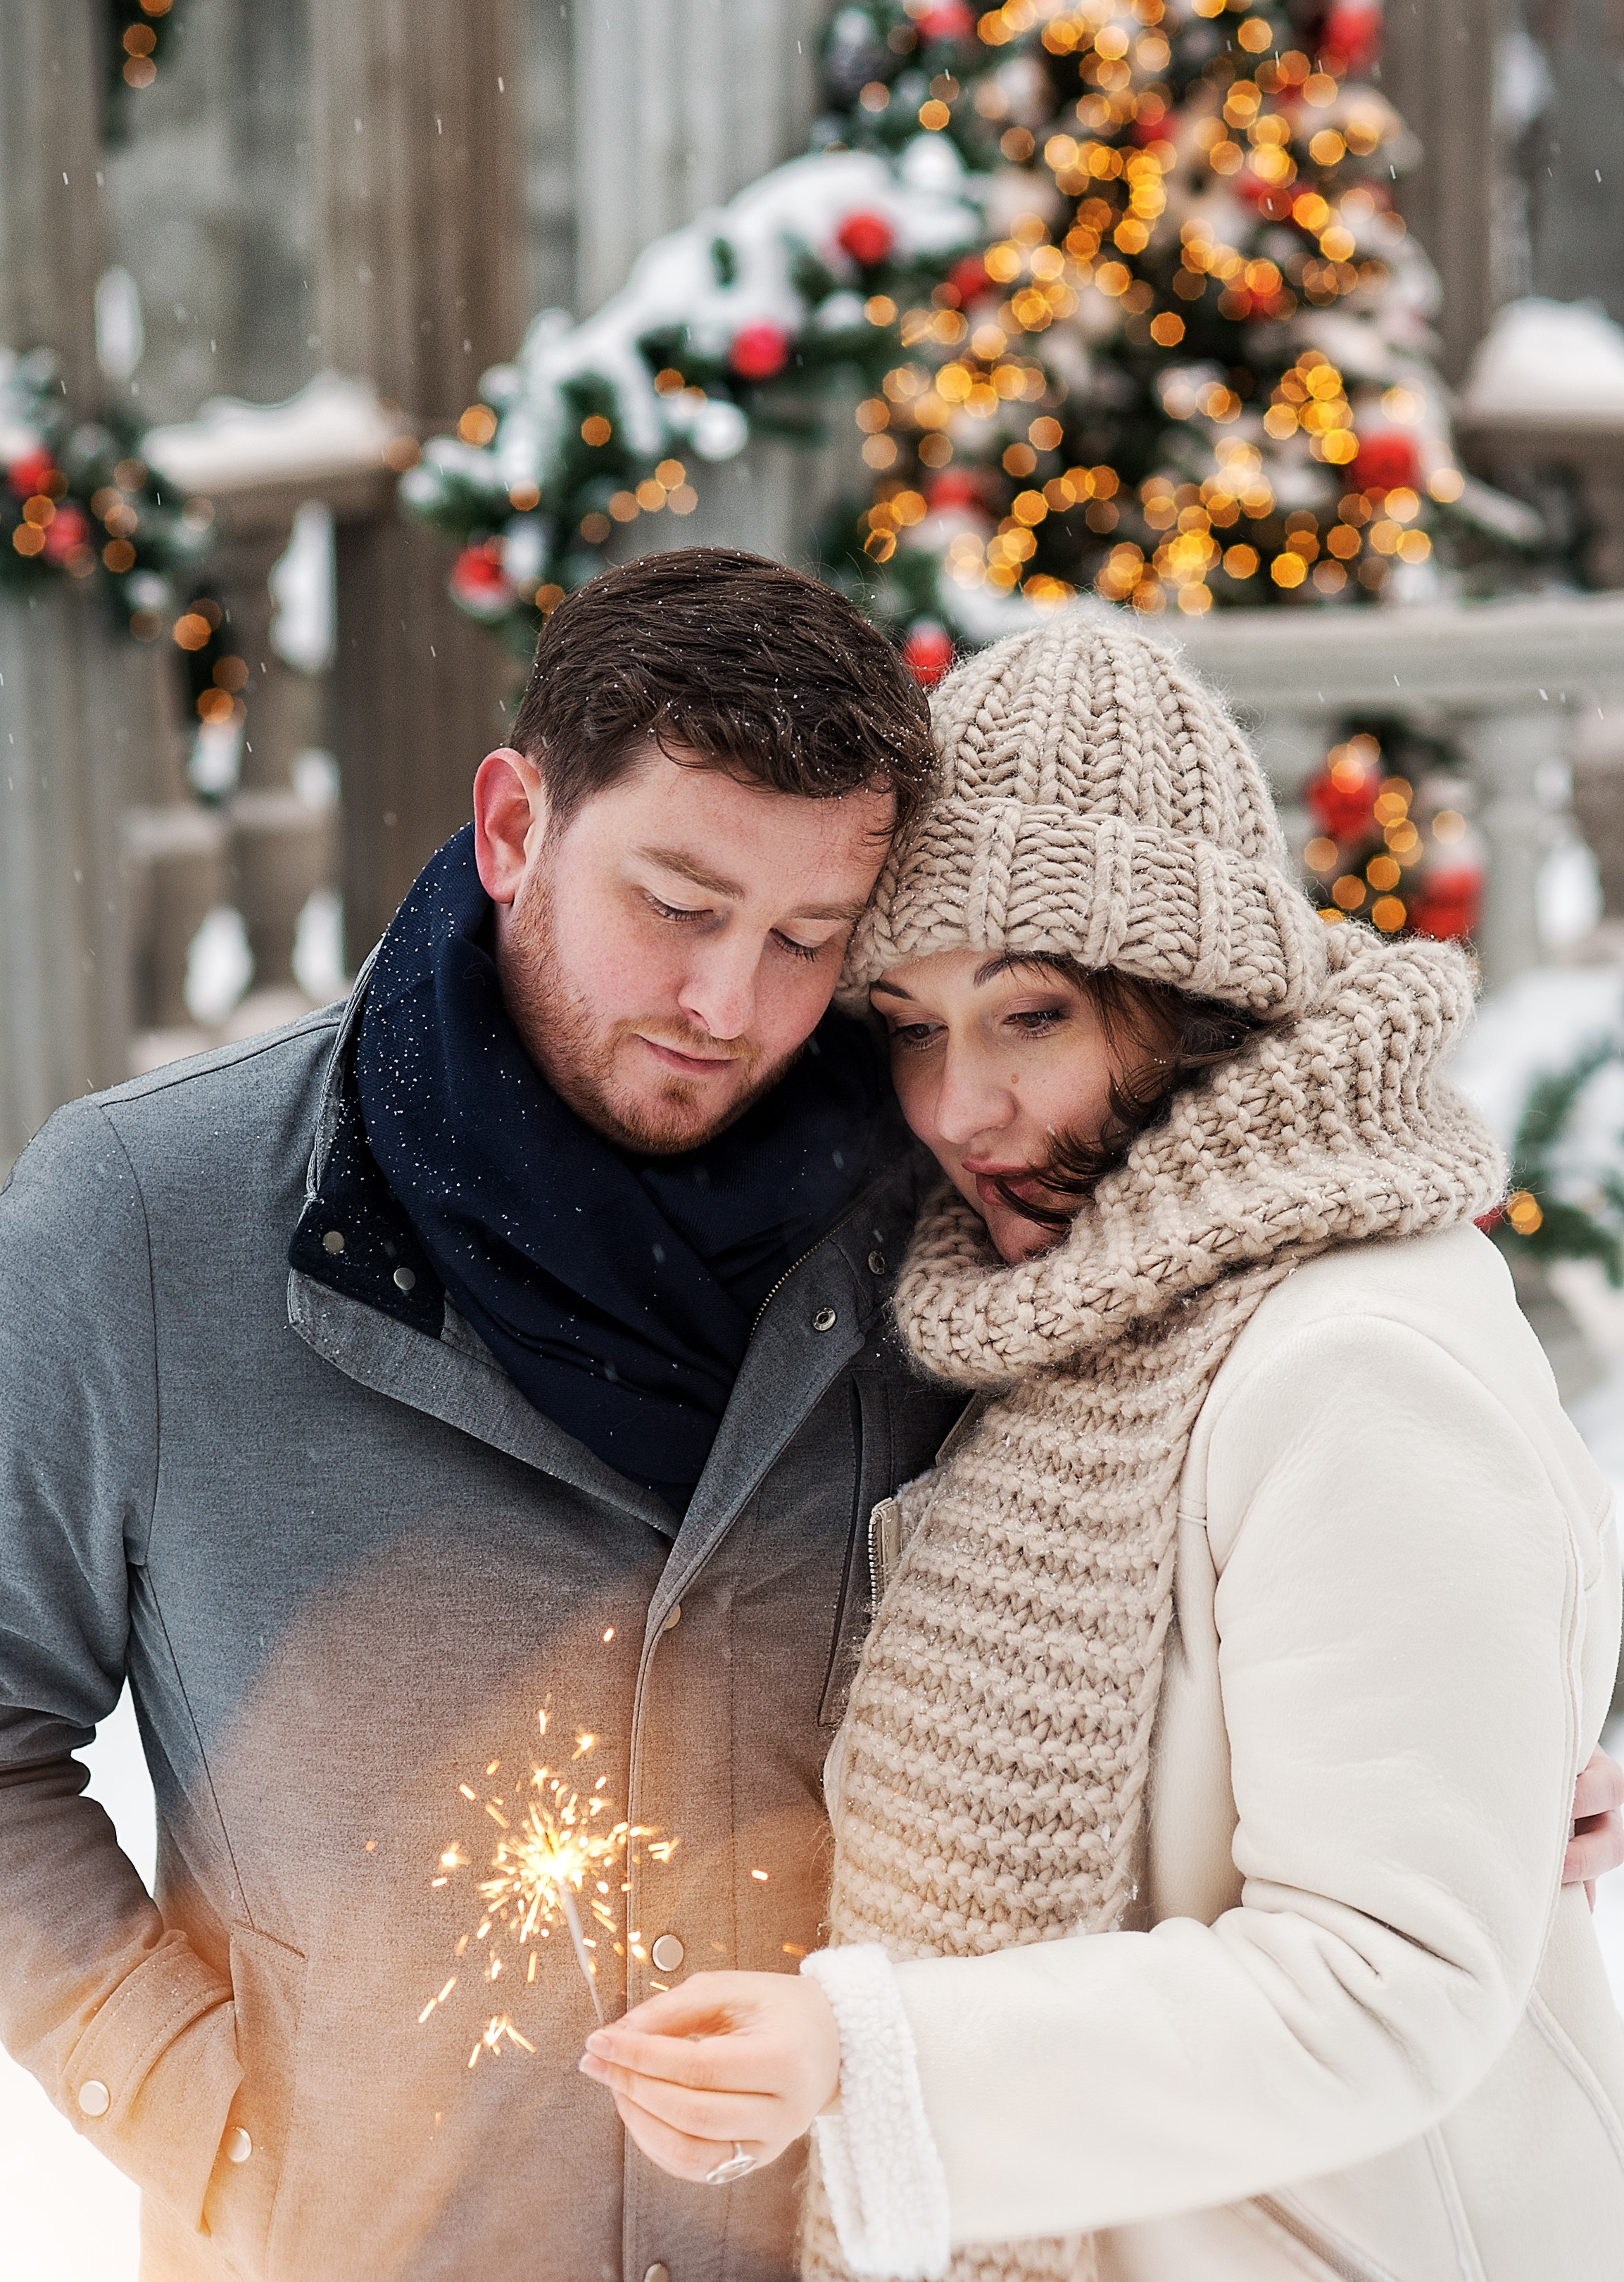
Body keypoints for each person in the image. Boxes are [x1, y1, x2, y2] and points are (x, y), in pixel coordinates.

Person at [576, 619, 1624, 2282]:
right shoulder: (1052, 1310)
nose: (957, 1107)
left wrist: (876, 2053)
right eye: (913, 1025)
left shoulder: (1352, 1358)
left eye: (1033, 1013)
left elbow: (1385, 1980)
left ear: (1193, 997)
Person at [0, 550, 966, 2282]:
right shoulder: (141, 1218)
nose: (729, 1005)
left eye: (807, 939)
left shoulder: (934, 1238)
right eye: (677, 902)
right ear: (514, 826)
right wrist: (203, 2116)